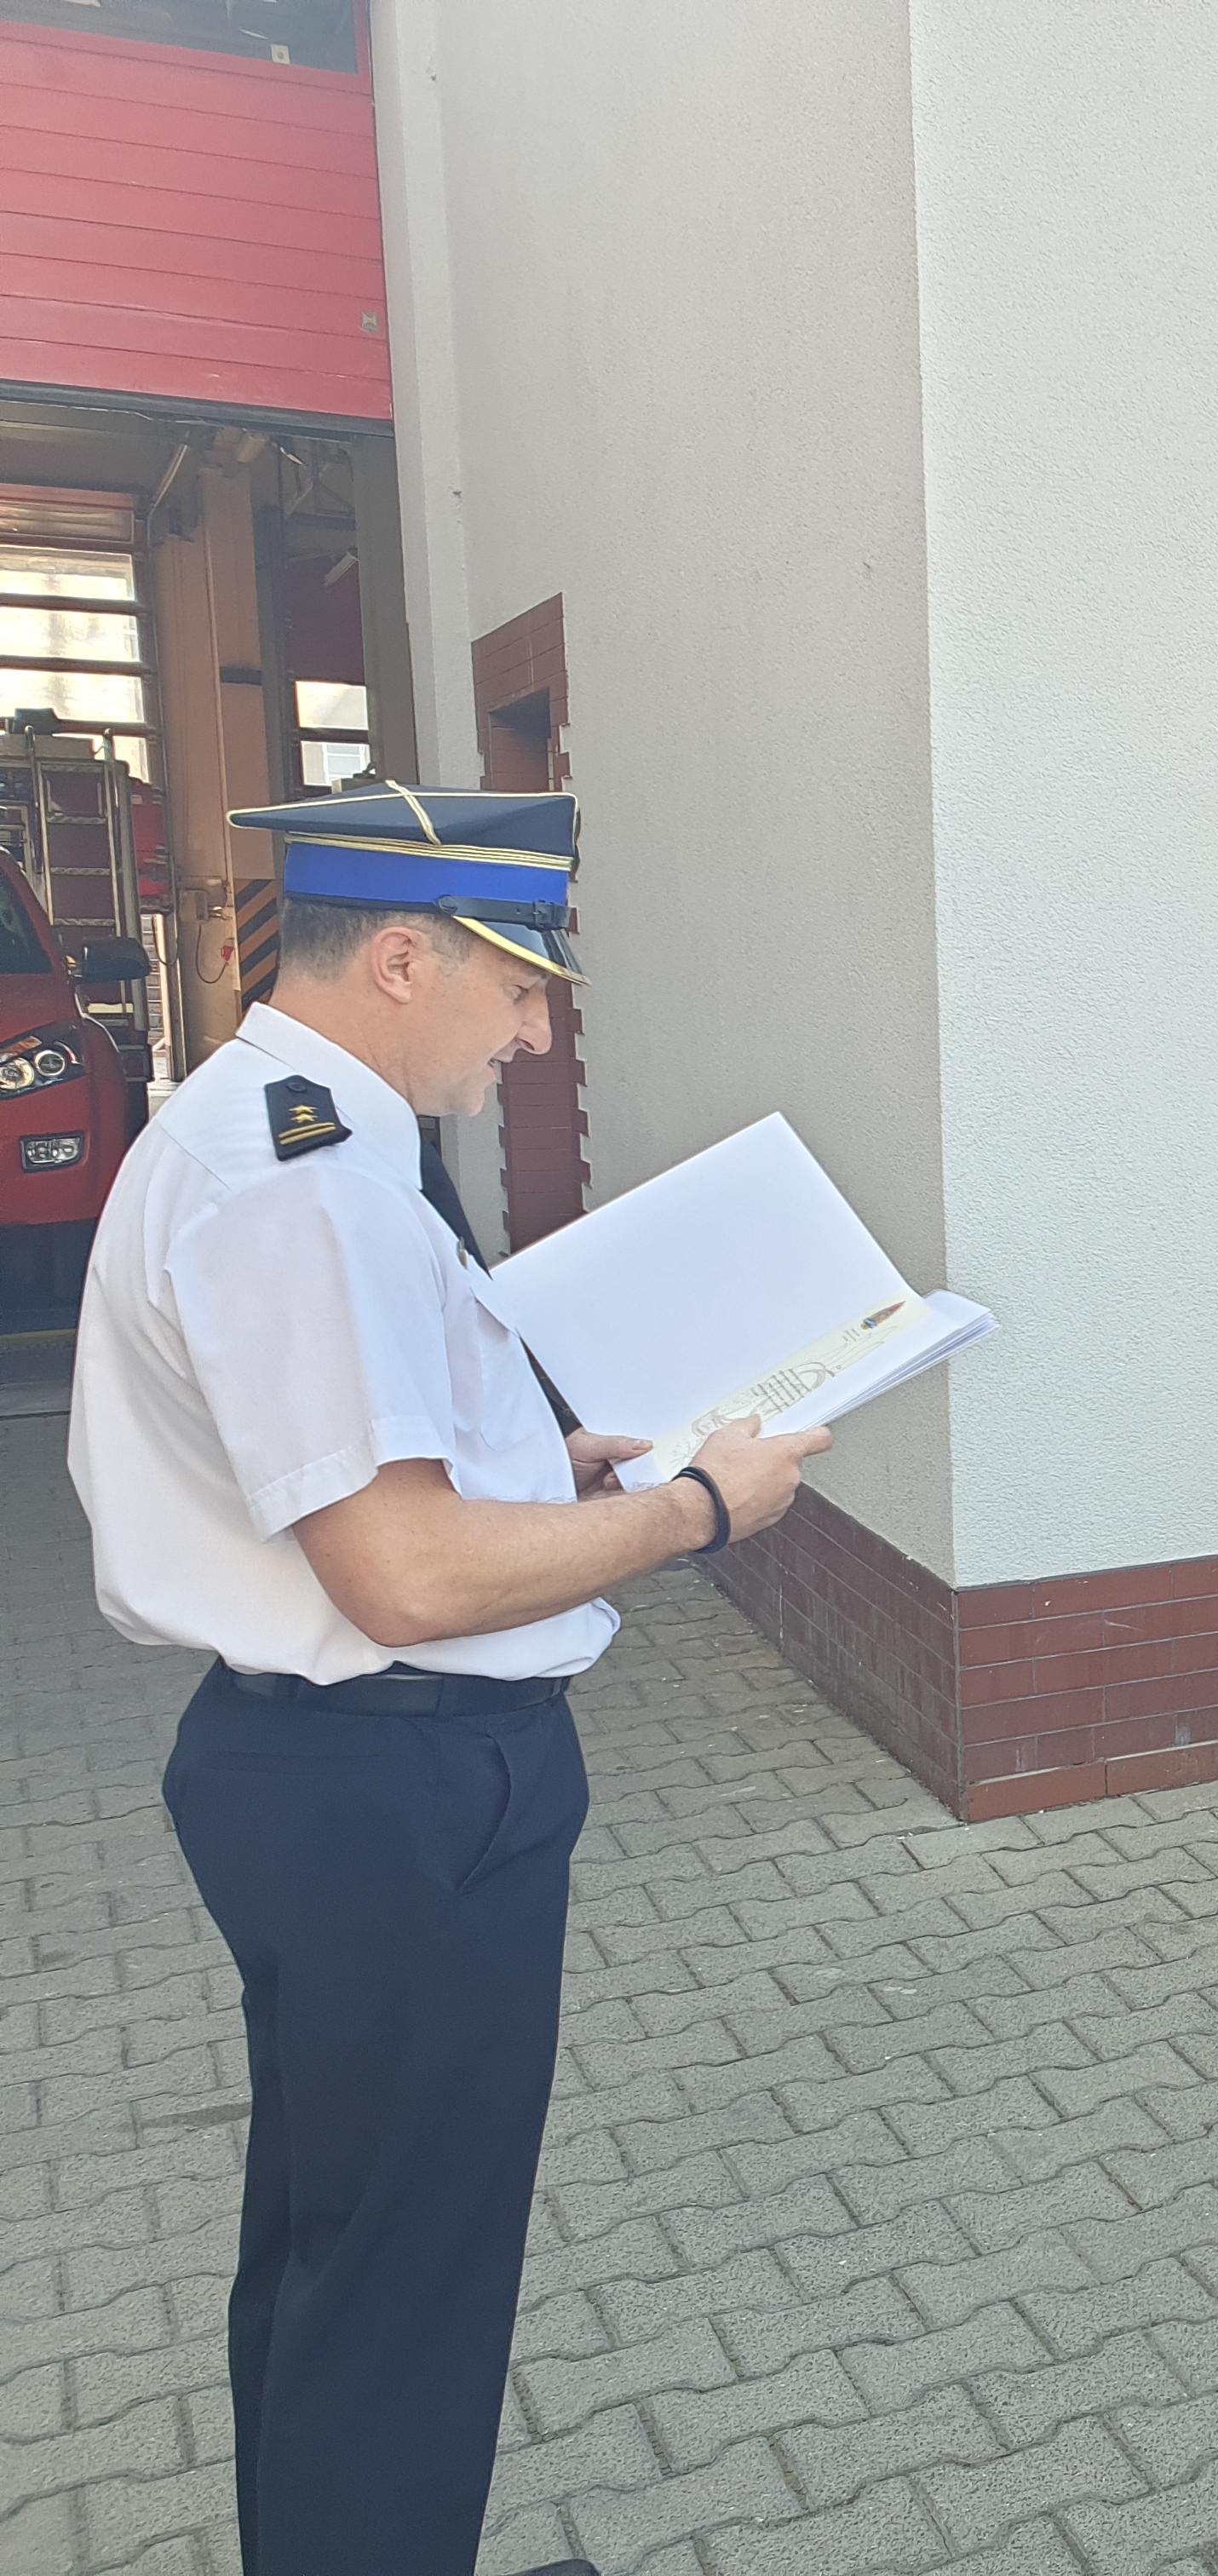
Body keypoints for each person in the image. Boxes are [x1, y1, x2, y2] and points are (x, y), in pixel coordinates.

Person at [66, 787, 829, 2576]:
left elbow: (346, 1477)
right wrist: (703, 1509)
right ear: (405, 958)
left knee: (341, 2248)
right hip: (397, 1785)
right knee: (403, 2279)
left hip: (337, 1774)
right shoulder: (310, 1184)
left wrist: (538, 1470)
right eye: (522, 982)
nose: (539, 1029)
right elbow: (401, 1577)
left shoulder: (268, 1132)